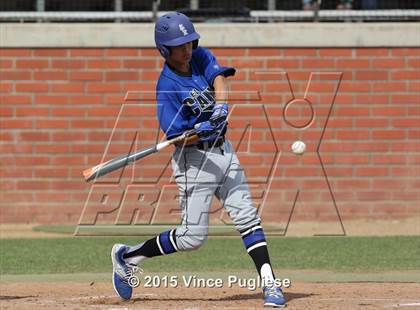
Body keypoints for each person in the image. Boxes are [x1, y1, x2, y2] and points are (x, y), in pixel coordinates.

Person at [110, 12, 286, 308]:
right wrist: (195, 131)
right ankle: (127, 256)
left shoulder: (199, 55)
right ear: (164, 50)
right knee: (193, 238)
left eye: (190, 42)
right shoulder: (166, 86)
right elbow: (176, 137)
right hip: (193, 160)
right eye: (180, 46)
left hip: (224, 150)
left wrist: (220, 108)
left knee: (246, 215)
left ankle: (270, 283)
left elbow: (218, 76)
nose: (187, 49)